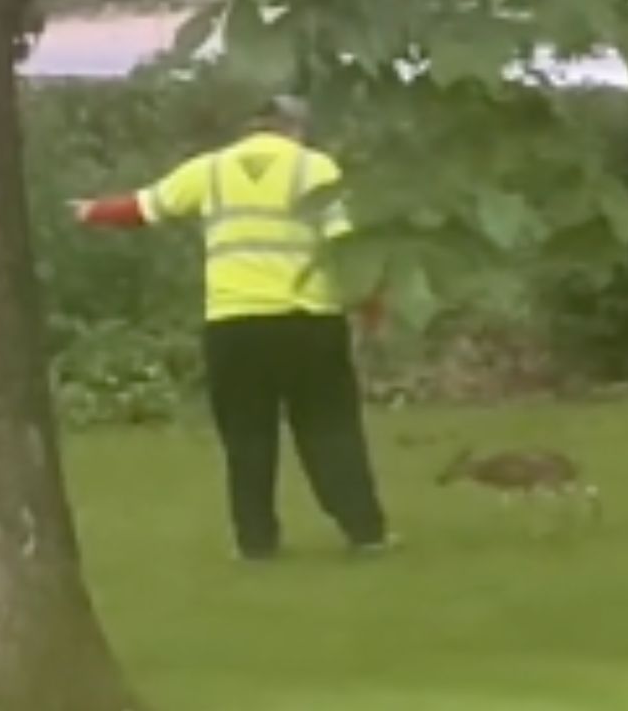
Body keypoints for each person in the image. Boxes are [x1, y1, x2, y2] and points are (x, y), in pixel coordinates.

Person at [72, 94, 390, 561]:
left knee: (247, 437)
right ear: (296, 128)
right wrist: (372, 309)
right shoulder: (316, 169)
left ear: (251, 127)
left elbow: (142, 209)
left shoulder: (211, 170)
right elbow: (350, 248)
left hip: (235, 324)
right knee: (330, 429)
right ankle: (364, 532)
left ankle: (256, 542)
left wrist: (89, 211)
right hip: (310, 321)